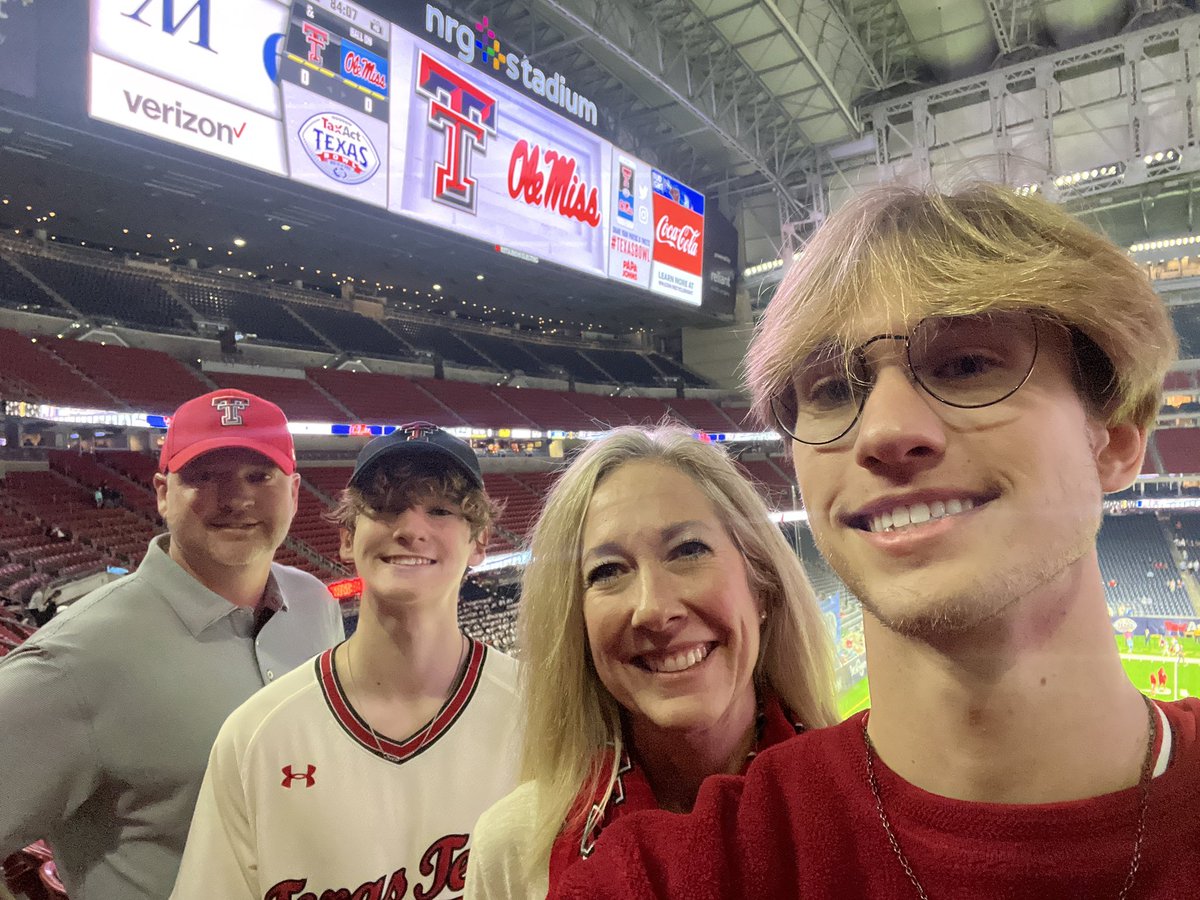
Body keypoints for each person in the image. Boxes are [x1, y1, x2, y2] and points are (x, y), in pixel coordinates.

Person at [552, 183, 1200, 899]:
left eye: (964, 364)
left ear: (1115, 441)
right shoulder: (667, 876)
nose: (885, 431)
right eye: (832, 388)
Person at [465, 426, 837, 899]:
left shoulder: (868, 803)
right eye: (608, 571)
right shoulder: (513, 850)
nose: (654, 609)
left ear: (760, 583)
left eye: (687, 551)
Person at [0, 388, 344, 900]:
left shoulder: (315, 602)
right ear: (163, 492)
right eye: (204, 476)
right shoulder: (72, 660)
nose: (236, 498)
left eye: (259, 476)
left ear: (294, 492)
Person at [171, 423, 521, 899]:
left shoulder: (546, 712)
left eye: (440, 511)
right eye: (386, 508)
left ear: (479, 543)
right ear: (346, 537)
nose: (411, 529)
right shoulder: (256, 735)